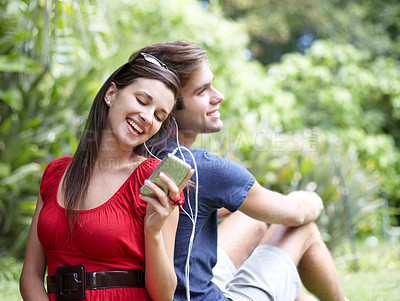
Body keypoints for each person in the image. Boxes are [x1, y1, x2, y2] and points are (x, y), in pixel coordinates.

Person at [129, 41, 347, 301]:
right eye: (202, 91)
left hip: (174, 287)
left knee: (250, 220)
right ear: (168, 107)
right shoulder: (204, 168)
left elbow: (189, 210)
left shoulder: (136, 155)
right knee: (301, 229)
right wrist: (311, 199)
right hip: (196, 296)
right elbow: (296, 213)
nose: (218, 96)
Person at [19, 51, 194, 301]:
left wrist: (153, 232)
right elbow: (31, 274)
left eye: (159, 116)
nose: (147, 118)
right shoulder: (56, 173)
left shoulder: (152, 181)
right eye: (142, 101)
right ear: (111, 94)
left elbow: (164, 295)